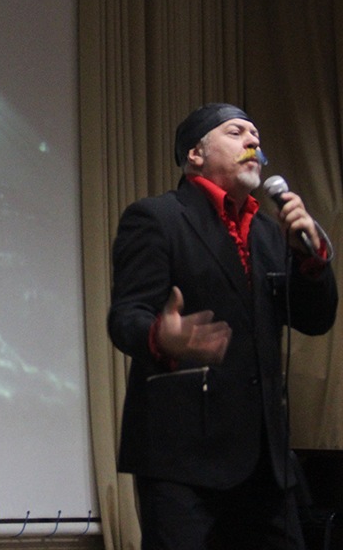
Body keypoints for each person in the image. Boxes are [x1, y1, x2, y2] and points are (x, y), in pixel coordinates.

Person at [107, 103, 338, 549]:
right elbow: (125, 317)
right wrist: (161, 337)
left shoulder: (269, 232)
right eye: (236, 133)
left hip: (265, 463)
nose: (252, 142)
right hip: (182, 462)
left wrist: (309, 262)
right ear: (195, 154)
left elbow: (315, 320)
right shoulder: (157, 218)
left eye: (255, 136)